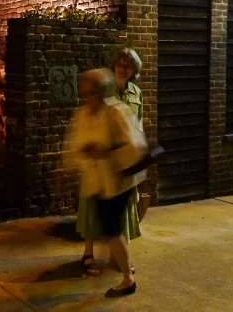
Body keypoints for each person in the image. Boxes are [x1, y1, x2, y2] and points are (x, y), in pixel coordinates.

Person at [66, 69, 147, 296]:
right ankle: (121, 267)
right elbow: (75, 147)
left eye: (90, 91)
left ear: (101, 91)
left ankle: (127, 279)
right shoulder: (83, 115)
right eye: (84, 92)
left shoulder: (116, 112)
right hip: (97, 182)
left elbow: (136, 147)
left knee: (112, 231)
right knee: (109, 230)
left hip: (118, 181)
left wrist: (104, 154)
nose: (86, 96)